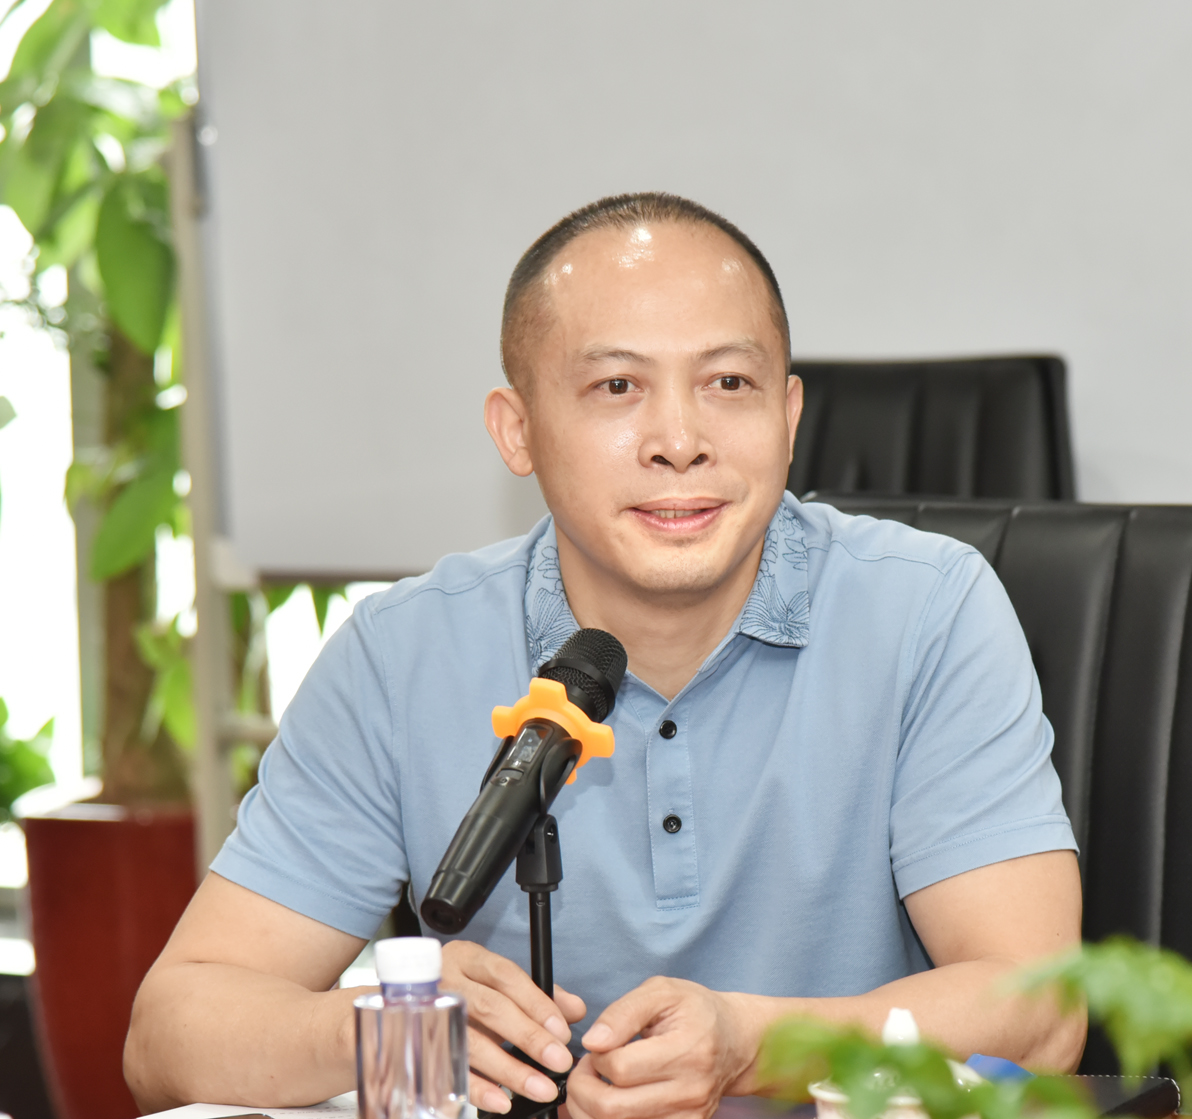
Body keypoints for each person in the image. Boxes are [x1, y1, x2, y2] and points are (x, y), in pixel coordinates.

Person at [124, 193, 1085, 1116]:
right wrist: (379, 1028)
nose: (679, 441)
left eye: (729, 383)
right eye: (617, 386)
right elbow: (167, 1039)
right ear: (518, 430)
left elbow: (1041, 1013)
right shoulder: (401, 654)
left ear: (789, 418)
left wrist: (754, 1045)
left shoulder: (927, 612)